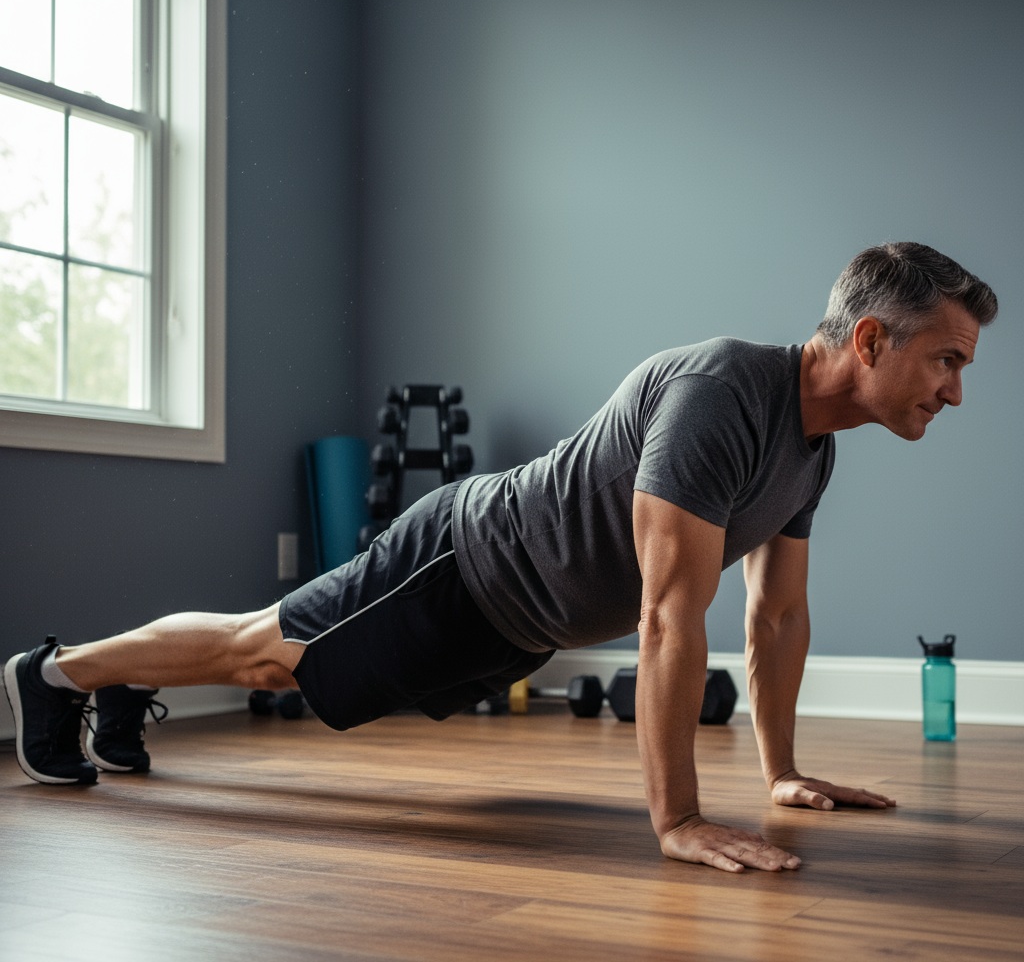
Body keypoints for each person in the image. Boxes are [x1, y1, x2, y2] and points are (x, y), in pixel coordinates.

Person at [3, 242, 997, 874]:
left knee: (300, 675)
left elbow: (774, 616)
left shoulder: (811, 453)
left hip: (517, 622)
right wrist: (678, 817)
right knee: (266, 654)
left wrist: (780, 771)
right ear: (869, 338)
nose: (954, 391)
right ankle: (57, 672)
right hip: (465, 561)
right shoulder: (723, 393)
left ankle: (123, 684)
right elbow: (665, 616)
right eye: (945, 359)